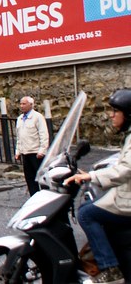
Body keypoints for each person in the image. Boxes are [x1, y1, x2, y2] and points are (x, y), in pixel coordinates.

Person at [64, 89, 131, 284]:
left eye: (116, 111)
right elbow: (120, 164)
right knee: (89, 204)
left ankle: (109, 269)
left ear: (127, 115)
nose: (111, 115)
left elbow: (124, 171)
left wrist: (91, 176)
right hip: (124, 193)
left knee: (86, 214)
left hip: (127, 200)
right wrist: (93, 172)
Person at [13, 96, 49, 195]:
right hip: (25, 152)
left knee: (40, 176)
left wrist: (42, 150)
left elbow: (43, 134)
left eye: (24, 104)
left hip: (35, 152)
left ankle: (44, 194)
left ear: (31, 105)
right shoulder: (20, 119)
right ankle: (34, 195)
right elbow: (19, 137)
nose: (22, 106)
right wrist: (18, 151)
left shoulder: (37, 117)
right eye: (21, 104)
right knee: (29, 177)